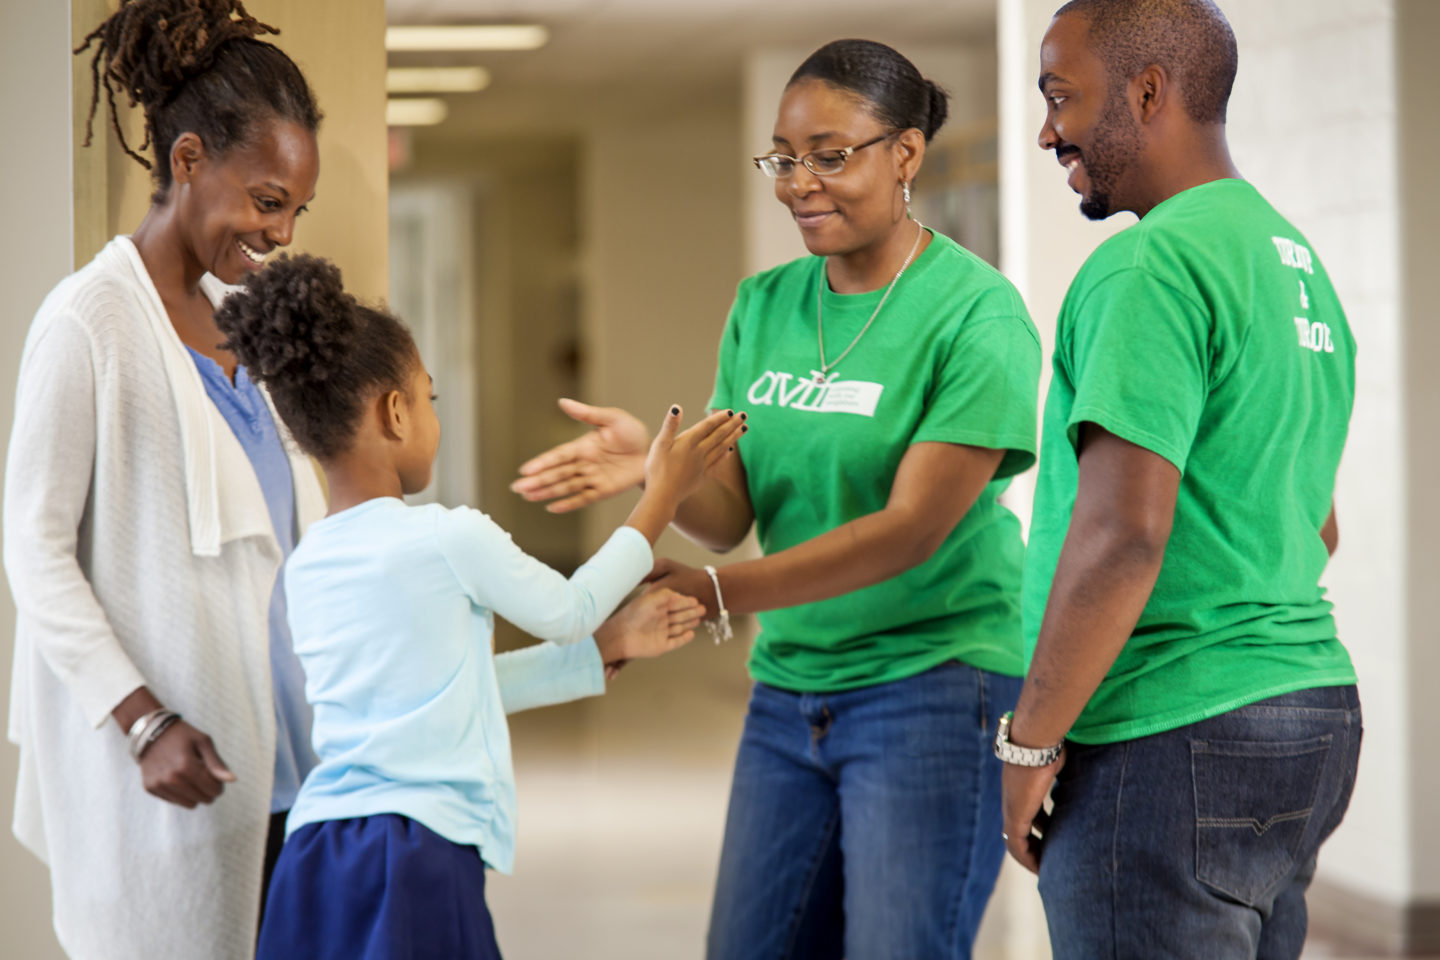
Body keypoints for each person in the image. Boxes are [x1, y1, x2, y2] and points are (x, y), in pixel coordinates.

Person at [511, 39, 1042, 959]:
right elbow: (730, 514)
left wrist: (721, 595)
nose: (799, 182)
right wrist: (660, 468)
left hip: (934, 685)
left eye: (829, 156)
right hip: (792, 690)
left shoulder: (976, 313)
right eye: (784, 158)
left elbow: (909, 531)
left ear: (906, 153)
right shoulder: (765, 305)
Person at [204, 253, 739, 960]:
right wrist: (660, 498)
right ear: (394, 412)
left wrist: (605, 650)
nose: (433, 416)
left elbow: (448, 691)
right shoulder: (446, 536)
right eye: (429, 399)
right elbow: (572, 606)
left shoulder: (305, 565)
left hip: (317, 853)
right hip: (414, 854)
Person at [997, 2, 1361, 957]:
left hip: (1170, 730)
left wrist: (1029, 741)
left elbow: (1124, 535)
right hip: (1309, 713)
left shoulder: (1151, 264)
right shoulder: (1296, 268)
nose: (1047, 131)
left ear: (1146, 91)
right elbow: (1315, 526)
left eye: (1060, 97)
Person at [3, 2, 325, 956]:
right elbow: (34, 548)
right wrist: (143, 722)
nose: (283, 231)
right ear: (187, 161)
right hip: (171, 767)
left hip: (287, 769)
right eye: (268, 201)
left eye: (295, 210)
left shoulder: (250, 323)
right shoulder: (88, 323)